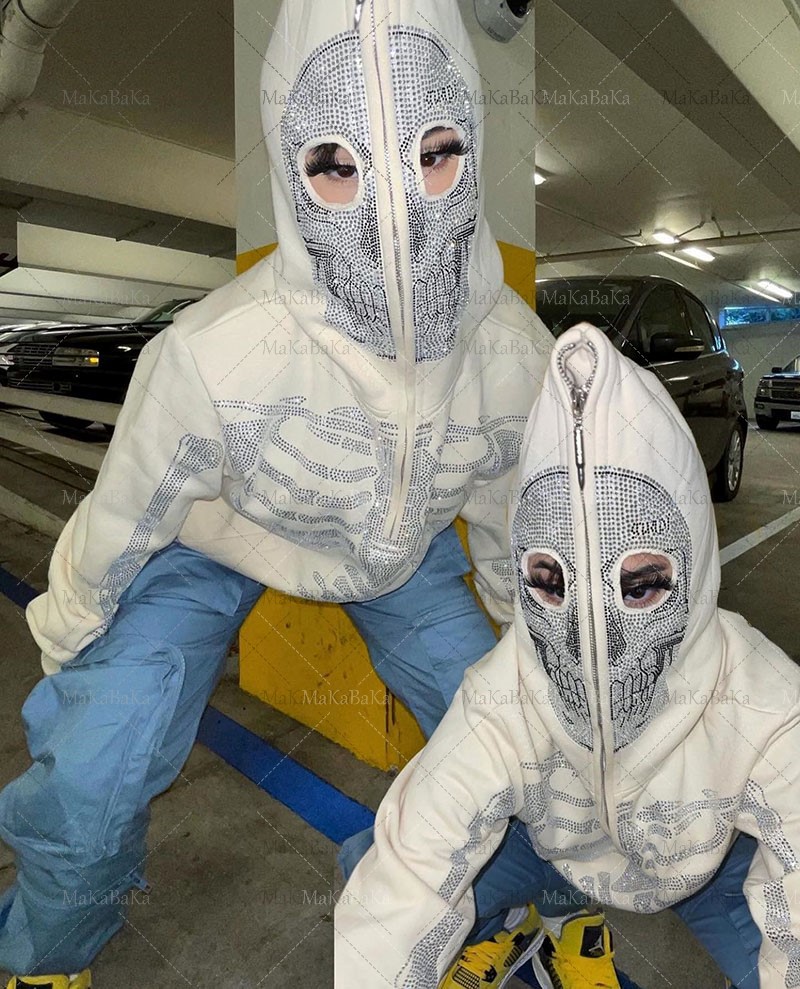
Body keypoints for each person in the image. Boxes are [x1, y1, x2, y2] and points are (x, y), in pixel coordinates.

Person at [0, 1, 556, 986]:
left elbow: (522, 526)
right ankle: (46, 954)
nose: (395, 211)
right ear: (291, 168)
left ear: (472, 143)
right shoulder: (212, 352)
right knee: (95, 765)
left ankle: (435, 902)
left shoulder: (515, 352)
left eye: (433, 154)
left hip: (404, 549)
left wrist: (536, 669)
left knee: (541, 756)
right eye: (338, 166)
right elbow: (124, 517)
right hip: (215, 536)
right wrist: (76, 650)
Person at [335, 323, 800, 989]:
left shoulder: (767, 703)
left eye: (640, 587)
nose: (592, 640)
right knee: (370, 866)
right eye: (552, 586)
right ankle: (533, 920)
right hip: (552, 852)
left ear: (693, 567)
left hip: (703, 864)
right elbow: (405, 878)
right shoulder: (505, 691)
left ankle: (561, 917)